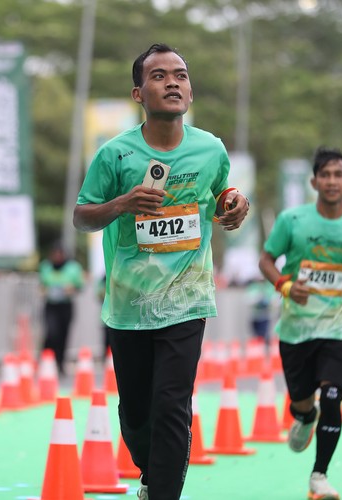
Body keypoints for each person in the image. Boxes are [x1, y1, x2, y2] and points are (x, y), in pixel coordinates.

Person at [73, 43, 249, 500]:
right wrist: (122, 204)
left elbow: (221, 193)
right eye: (159, 76)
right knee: (136, 415)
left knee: (172, 405)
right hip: (129, 304)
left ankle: (164, 492)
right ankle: (152, 477)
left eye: (180, 75)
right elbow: (82, 217)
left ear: (189, 91)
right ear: (138, 94)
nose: (172, 82)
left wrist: (234, 204)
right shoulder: (115, 155)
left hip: (187, 298)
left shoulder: (210, 149)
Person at [259, 146, 342, 500]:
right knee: (303, 401)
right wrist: (285, 285)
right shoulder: (292, 220)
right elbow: (266, 259)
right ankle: (305, 416)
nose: (332, 181)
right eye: (325, 175)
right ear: (314, 182)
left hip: (341, 325)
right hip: (297, 328)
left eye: (339, 175)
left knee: (333, 396)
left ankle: (319, 476)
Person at [39, 241, 85, 375]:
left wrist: (71, 289)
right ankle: (47, 359)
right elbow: (42, 285)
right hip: (51, 305)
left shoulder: (73, 267)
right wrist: (45, 291)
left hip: (65, 305)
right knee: (52, 332)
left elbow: (80, 286)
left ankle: (60, 362)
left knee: (63, 334)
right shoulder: (46, 266)